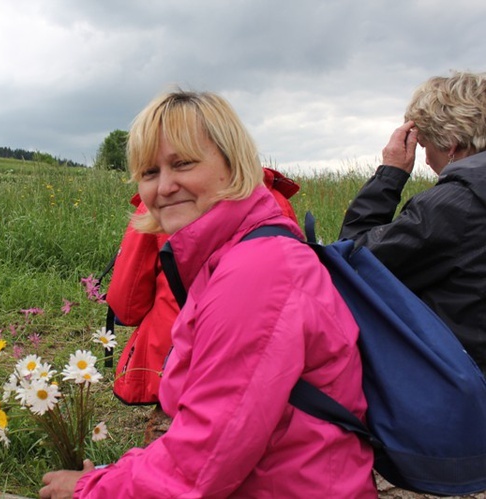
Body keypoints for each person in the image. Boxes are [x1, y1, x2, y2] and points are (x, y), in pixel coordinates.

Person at [40, 90, 376, 498]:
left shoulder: (256, 272)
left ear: (234, 165)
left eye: (183, 163)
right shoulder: (227, 256)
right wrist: (113, 475)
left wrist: (90, 490)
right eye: (148, 173)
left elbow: (203, 463)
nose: (164, 186)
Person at [107, 168, 300, 445]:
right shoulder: (274, 198)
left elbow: (127, 306)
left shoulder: (160, 207)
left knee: (174, 465)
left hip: (177, 364)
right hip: (267, 372)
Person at [339, 71, 486, 373]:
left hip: (465, 391)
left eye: (425, 145)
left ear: (451, 144)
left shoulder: (454, 206)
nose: (427, 160)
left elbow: (353, 263)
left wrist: (390, 174)